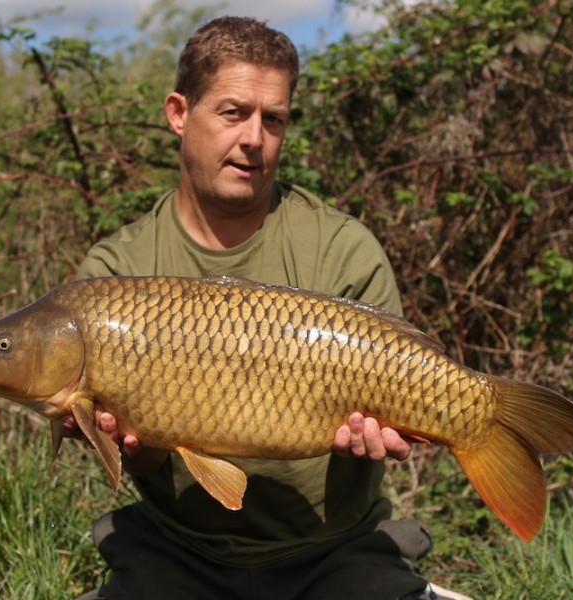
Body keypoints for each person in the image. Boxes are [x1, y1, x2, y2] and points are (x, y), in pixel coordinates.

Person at [70, 16, 462, 600]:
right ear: (179, 113)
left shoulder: (339, 249)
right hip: (180, 546)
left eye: (272, 119)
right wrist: (132, 441)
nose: (254, 137)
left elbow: (389, 438)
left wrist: (396, 428)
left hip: (334, 547)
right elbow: (143, 466)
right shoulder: (112, 276)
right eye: (233, 112)